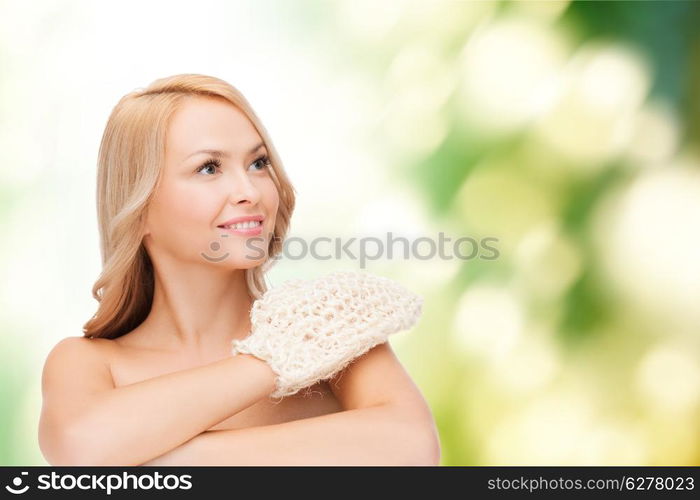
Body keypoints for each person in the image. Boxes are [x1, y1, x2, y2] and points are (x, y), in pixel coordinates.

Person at [38, 73, 440, 466]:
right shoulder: (87, 363)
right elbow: (80, 447)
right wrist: (272, 360)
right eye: (209, 168)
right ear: (138, 207)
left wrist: (157, 458)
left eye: (258, 163)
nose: (250, 192)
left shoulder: (333, 333)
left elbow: (413, 448)